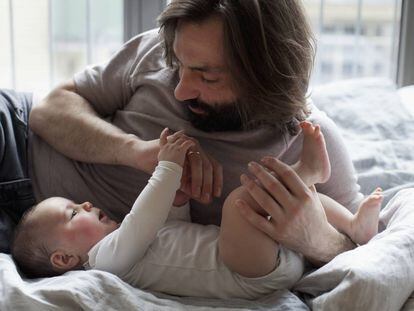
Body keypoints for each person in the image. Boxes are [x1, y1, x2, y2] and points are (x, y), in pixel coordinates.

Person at [2, 1, 362, 265]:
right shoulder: (159, 52)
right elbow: (49, 110)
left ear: (264, 75)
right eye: (179, 65)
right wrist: (135, 151)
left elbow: (357, 243)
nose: (180, 90)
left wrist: (316, 240)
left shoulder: (311, 142)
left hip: (40, 240)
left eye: (207, 76)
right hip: (16, 139)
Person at [12, 123, 381, 300]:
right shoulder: (103, 261)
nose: (87, 204)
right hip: (243, 273)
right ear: (64, 258)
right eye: (74, 214)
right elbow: (144, 220)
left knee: (299, 206)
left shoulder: (126, 253)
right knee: (241, 203)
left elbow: (170, 231)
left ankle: (352, 224)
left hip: (259, 259)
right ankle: (307, 172)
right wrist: (167, 169)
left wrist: (179, 202)